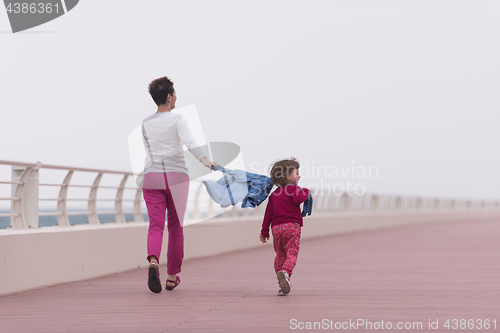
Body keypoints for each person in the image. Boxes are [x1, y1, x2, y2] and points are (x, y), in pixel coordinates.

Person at [142, 76, 216, 293]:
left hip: (152, 177)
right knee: (175, 228)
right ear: (168, 97)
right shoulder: (177, 119)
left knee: (156, 226)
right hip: (176, 178)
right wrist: (205, 161)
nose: (176, 97)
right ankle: (172, 277)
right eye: (174, 94)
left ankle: (154, 262)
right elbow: (190, 143)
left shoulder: (145, 123)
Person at [260, 158, 310, 296]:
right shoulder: (294, 188)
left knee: (280, 255)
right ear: (288, 176)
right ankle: (286, 272)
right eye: (297, 173)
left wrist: (264, 231)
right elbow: (298, 199)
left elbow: (268, 214)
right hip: (292, 227)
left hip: (276, 228)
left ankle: (281, 286)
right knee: (291, 253)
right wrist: (306, 191)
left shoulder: (274, 195)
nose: (299, 176)